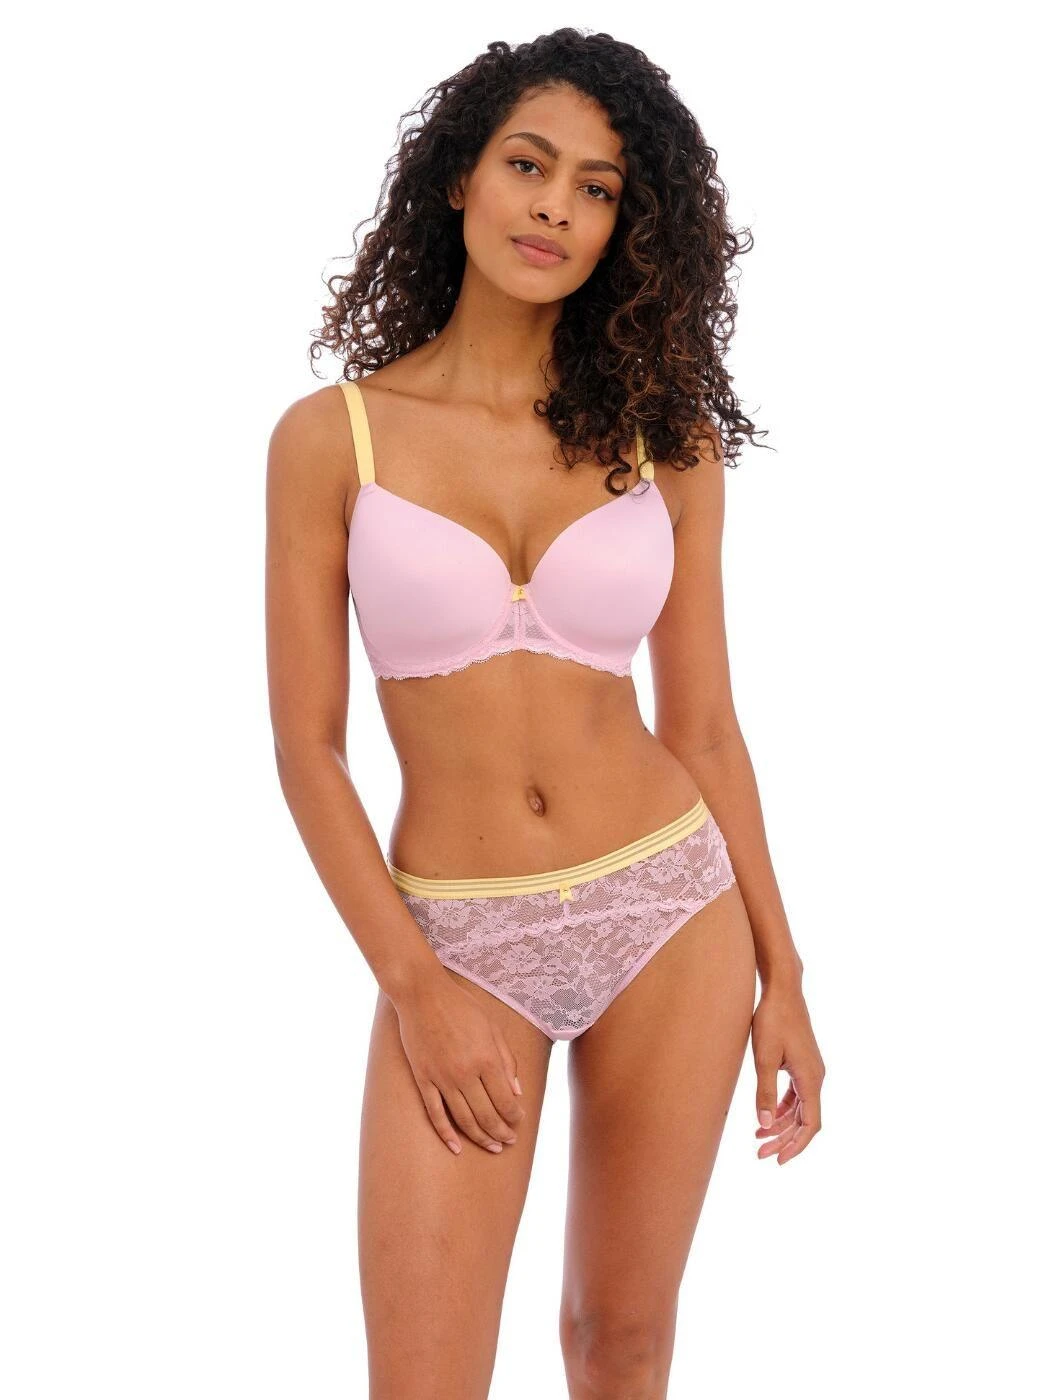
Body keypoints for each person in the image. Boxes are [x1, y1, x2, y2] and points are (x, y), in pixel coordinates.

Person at [266, 28, 825, 1399]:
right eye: (529, 165)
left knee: (619, 1345)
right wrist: (414, 984)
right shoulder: (332, 438)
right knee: (423, 1379)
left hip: (670, 908)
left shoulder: (666, 440)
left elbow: (705, 726)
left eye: (597, 188)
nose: (555, 208)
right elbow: (308, 749)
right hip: (459, 937)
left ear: (627, 226)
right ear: (461, 177)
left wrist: (787, 976)